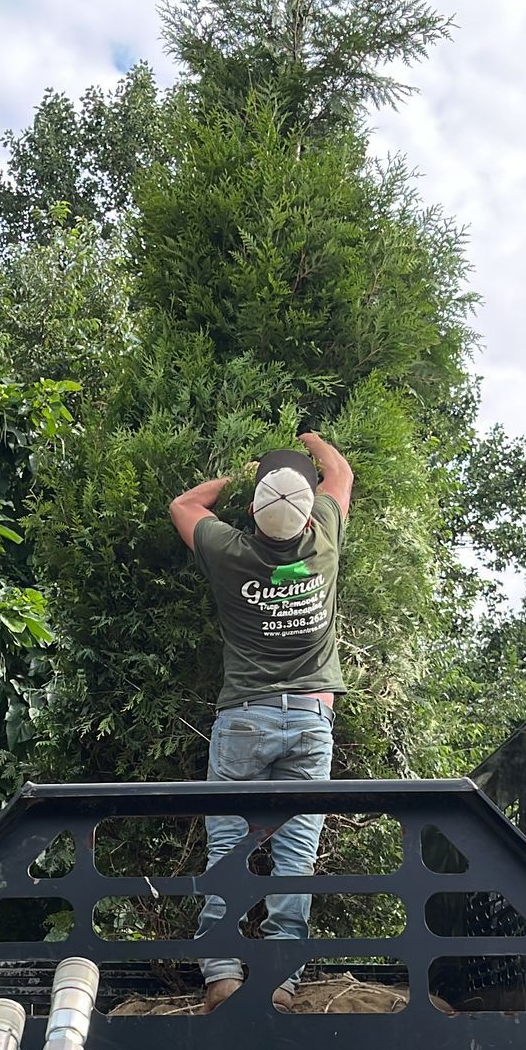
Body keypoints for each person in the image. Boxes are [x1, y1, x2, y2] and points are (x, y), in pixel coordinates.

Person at [169, 432, 353, 1012]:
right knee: (296, 855)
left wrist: (230, 470)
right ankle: (280, 981)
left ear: (253, 512)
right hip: (310, 719)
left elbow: (184, 506)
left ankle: (222, 973)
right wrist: (313, 439)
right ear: (306, 513)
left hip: (242, 719)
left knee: (227, 848)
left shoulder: (229, 552)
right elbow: (339, 475)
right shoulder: (323, 540)